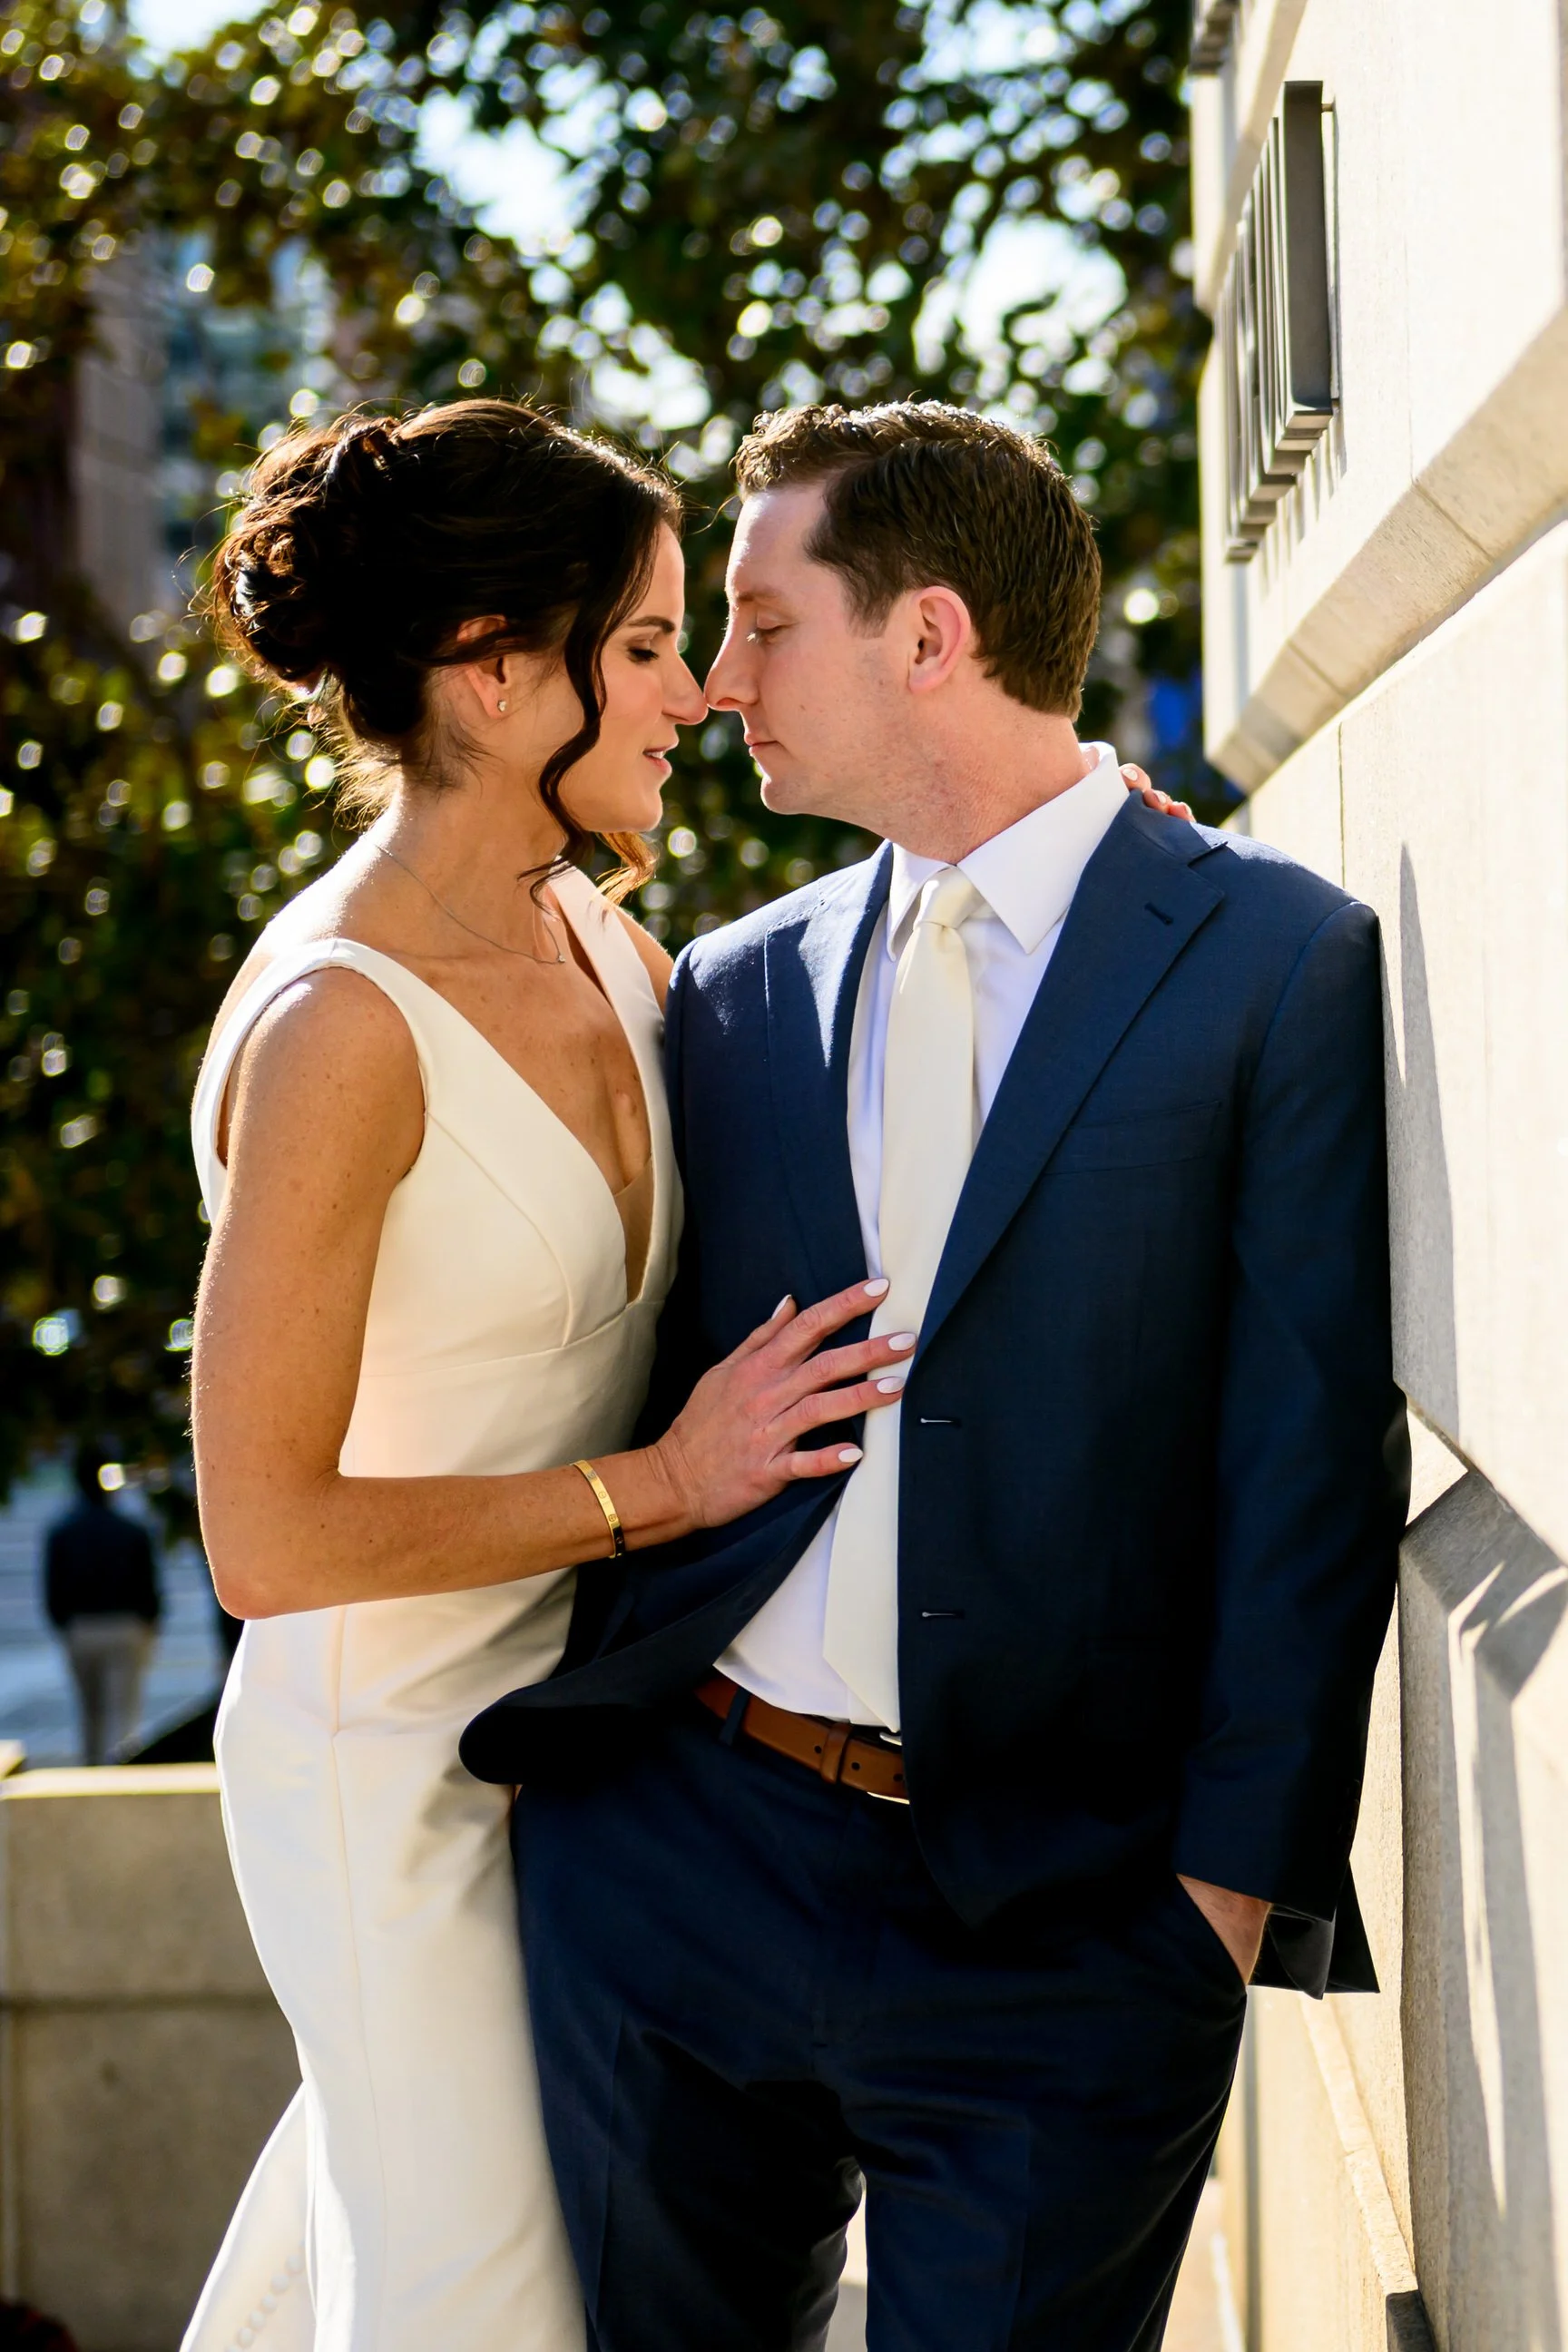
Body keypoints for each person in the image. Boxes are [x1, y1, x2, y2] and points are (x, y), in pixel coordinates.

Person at [464, 401, 1410, 2352]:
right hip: (680, 1873)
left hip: (1065, 1940)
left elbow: (1310, 1461)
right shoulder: (728, 988)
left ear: (927, 638)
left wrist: (1213, 1916)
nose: (719, 685)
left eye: (760, 623)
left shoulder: (1276, 962)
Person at [179, 398, 925, 2352]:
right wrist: (663, 1490)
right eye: (652, 646)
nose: (695, 694)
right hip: (388, 1773)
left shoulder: (604, 940)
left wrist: (1086, 864)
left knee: (530, 2271)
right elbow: (260, 1535)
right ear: (498, 678)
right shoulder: (340, 1028)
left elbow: (846, 1022)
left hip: (596, 1755)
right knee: (470, 2303)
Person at [44, 1440, 160, 1765]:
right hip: (127, 1628)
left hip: (81, 1629)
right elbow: (149, 1587)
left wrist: (65, 1626)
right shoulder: (133, 1530)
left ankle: (92, 1773)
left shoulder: (62, 1531)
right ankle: (120, 1776)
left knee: (89, 1713)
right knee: (123, 1715)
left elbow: (52, 1590)